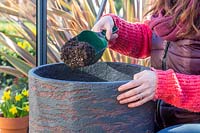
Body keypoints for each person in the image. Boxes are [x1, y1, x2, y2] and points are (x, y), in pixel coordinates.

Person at [92, 0, 200, 132]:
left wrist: (166, 85)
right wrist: (116, 30)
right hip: (162, 119)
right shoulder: (172, 3)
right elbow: (154, 40)